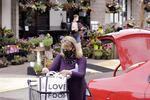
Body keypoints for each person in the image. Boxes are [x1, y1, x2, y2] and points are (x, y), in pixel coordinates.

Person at [42, 36, 87, 100]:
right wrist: (46, 70)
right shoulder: (60, 57)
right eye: (63, 49)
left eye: (67, 48)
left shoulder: (81, 58)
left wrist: (69, 72)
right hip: (62, 88)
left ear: (73, 48)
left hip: (77, 89)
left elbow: (81, 74)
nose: (65, 50)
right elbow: (52, 69)